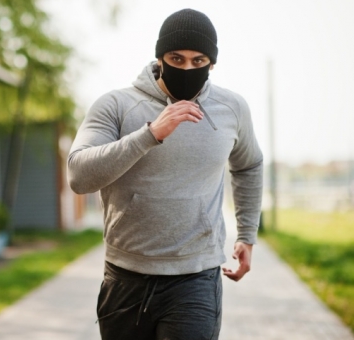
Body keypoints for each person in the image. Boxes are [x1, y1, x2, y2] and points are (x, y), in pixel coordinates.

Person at [67, 8, 263, 340]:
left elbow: (249, 165)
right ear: (160, 57)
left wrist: (247, 233)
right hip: (125, 277)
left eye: (198, 61)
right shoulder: (115, 105)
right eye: (177, 58)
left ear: (212, 63)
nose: (187, 68)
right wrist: (150, 134)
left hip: (196, 277)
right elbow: (78, 176)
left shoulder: (232, 109)